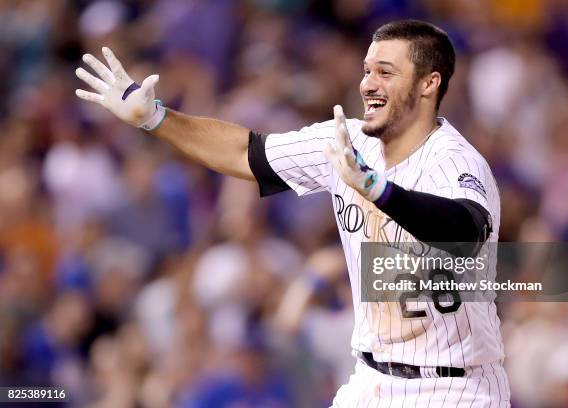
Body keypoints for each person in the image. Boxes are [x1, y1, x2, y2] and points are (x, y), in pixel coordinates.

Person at [76, 19, 510, 407]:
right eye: (366, 70)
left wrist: (378, 189)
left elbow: (467, 233)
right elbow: (247, 154)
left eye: (386, 72)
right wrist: (155, 117)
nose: (368, 83)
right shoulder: (346, 140)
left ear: (428, 84)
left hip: (455, 387)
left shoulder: (454, 161)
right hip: (372, 382)